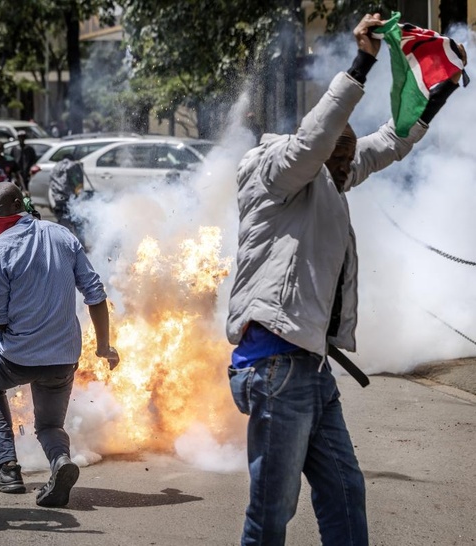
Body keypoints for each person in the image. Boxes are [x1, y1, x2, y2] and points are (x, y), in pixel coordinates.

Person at [225, 14, 466, 545]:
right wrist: (362, 62)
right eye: (336, 160)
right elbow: (316, 138)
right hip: (272, 363)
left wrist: (439, 92)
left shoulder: (329, 176)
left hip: (308, 367)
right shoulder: (277, 171)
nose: (345, 169)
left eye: (345, 161)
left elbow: (390, 142)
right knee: (272, 511)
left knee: (344, 491)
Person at [0, 182, 119, 507]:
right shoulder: (63, 235)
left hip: (16, 356)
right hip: (64, 357)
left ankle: (7, 469)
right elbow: (95, 294)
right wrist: (103, 346)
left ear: (16, 204)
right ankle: (60, 462)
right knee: (50, 424)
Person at [48, 154, 86, 236]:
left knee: (63, 226)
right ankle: (80, 244)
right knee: (78, 223)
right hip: (70, 200)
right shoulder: (72, 165)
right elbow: (78, 185)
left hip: (57, 200)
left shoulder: (55, 167)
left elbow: (51, 185)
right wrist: (80, 198)